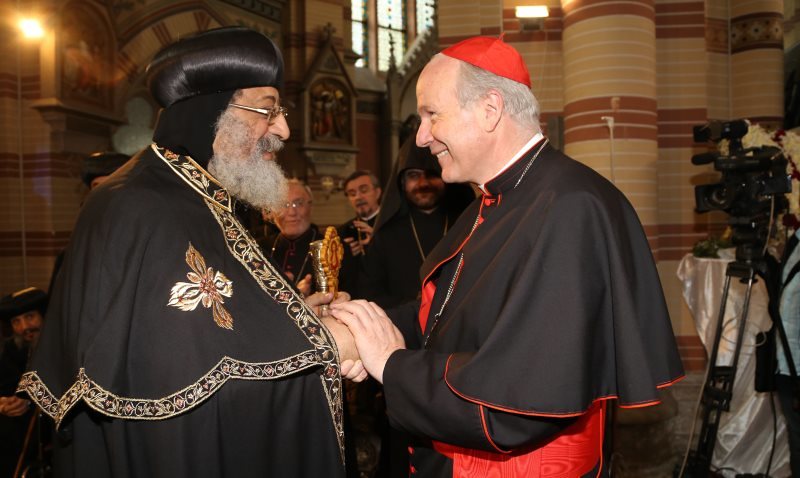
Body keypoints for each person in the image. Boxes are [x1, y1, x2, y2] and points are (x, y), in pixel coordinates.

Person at [17, 27, 365, 477]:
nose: (283, 128)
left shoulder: (190, 192)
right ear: (211, 111)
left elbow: (211, 328)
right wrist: (326, 345)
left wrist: (295, 320)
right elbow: (178, 384)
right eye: (266, 109)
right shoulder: (144, 204)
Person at [332, 36, 684, 477]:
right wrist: (362, 324)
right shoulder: (496, 200)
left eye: (431, 115)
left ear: (489, 109)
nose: (422, 138)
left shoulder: (570, 208)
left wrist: (391, 364)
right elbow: (444, 313)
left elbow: (516, 399)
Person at [360, 142, 473, 309]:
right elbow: (370, 294)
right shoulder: (385, 236)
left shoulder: (468, 224)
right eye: (413, 176)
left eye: (432, 174)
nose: (423, 183)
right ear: (402, 183)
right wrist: (417, 305)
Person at [0, 287, 47, 477]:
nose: (24, 327)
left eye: (30, 316)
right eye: (16, 321)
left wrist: (30, 400)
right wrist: (2, 403)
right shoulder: (12, 350)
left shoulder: (59, 349)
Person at [259, 179, 319, 296]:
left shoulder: (332, 248)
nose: (291, 212)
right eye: (283, 205)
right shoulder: (258, 248)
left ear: (310, 206)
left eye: (299, 203)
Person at [337, 170, 382, 297]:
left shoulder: (392, 225)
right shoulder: (342, 232)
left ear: (377, 192)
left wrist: (379, 239)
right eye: (352, 194)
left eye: (363, 190)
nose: (358, 197)